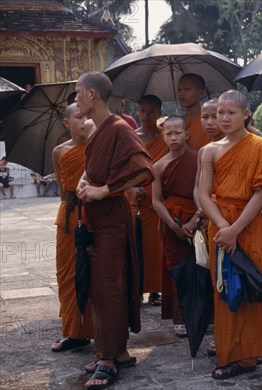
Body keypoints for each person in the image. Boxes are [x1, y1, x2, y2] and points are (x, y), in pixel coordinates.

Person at [198, 90, 262, 390]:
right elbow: (203, 194)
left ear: (246, 113)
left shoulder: (260, 146)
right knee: (228, 289)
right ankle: (241, 357)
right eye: (219, 114)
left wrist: (235, 228)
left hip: (247, 225)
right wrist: (222, 226)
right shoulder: (210, 150)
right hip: (220, 225)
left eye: (230, 113)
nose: (223, 118)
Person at [75, 71, 153, 389]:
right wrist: (84, 181)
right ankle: (116, 350)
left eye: (78, 92)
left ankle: (107, 359)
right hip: (97, 219)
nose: (75, 99)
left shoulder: (120, 128)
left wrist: (105, 190)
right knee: (102, 285)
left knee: (108, 286)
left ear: (93, 94)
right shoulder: (98, 131)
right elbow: (95, 167)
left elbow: (144, 170)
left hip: (111, 218)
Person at [50, 103, 94, 353]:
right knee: (67, 275)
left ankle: (97, 329)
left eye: (87, 116)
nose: (84, 121)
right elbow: (61, 186)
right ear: (67, 123)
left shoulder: (98, 146)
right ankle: (74, 332)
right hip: (68, 214)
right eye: (79, 117)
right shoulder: (59, 151)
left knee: (94, 273)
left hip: (93, 212)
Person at [152, 115, 198, 338]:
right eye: (168, 133)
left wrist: (195, 220)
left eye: (177, 133)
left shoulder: (200, 159)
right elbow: (156, 201)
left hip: (198, 219)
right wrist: (173, 225)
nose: (173, 137)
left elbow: (206, 192)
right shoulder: (159, 166)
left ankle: (203, 314)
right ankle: (180, 317)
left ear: (187, 133)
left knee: (200, 269)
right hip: (171, 224)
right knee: (178, 271)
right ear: (163, 136)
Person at [125, 95, 168, 307]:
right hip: (135, 201)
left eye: (151, 111)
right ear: (137, 112)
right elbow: (121, 169)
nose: (146, 115)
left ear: (159, 113)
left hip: (158, 202)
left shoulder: (166, 137)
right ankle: (136, 289)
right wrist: (131, 189)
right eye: (142, 110)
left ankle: (154, 289)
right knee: (134, 246)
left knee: (156, 249)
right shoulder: (131, 137)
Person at [177, 73, 211, 150]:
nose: (181, 94)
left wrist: (184, 145)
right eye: (179, 89)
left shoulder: (209, 122)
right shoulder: (176, 123)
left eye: (186, 89)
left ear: (200, 93)